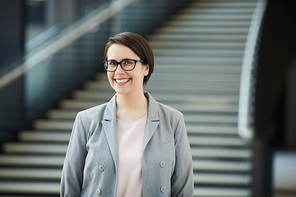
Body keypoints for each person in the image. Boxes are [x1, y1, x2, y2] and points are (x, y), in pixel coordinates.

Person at [60, 32, 194, 197]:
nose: (118, 71)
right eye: (112, 63)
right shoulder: (86, 120)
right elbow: (70, 187)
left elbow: (183, 190)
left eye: (127, 63)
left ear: (146, 67)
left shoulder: (173, 120)